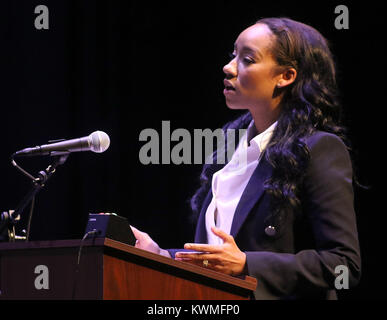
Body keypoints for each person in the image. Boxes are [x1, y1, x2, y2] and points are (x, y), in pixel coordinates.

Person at [131, 17, 361, 299]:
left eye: (247, 59)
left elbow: (343, 265)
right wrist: (162, 255)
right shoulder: (229, 151)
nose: (228, 68)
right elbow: (219, 258)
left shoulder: (319, 148)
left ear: (285, 76)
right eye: (233, 56)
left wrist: (247, 265)